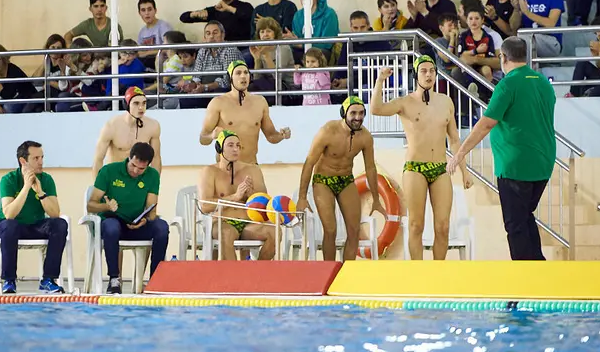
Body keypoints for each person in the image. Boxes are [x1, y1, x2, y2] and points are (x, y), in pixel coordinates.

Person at [448, 37, 556, 261]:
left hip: (515, 165)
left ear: (503, 57)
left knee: (515, 225)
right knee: (525, 217)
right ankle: (539, 267)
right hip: (544, 162)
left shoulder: (508, 85)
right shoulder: (543, 82)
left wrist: (460, 153)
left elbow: (486, 124)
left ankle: (524, 277)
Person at [370, 56, 474, 260]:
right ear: (415, 75)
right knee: (416, 225)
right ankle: (419, 272)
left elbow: (454, 139)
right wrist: (380, 80)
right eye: (423, 71)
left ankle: (437, 272)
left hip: (440, 168)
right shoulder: (405, 102)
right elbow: (376, 109)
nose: (428, 75)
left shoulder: (445, 101)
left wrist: (465, 171)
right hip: (415, 168)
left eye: (432, 71)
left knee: (443, 226)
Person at [296, 97, 386, 261]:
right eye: (353, 113)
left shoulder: (365, 137)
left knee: (354, 231)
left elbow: (370, 168)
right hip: (323, 180)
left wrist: (376, 198)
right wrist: (302, 197)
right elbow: (309, 162)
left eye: (361, 113)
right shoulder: (328, 131)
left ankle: (346, 272)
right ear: (344, 113)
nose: (358, 117)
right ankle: (329, 270)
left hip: (346, 180)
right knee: (330, 230)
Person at [87, 142, 169, 294]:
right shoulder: (109, 171)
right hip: (113, 221)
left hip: (137, 223)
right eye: (133, 165)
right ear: (129, 158)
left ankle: (155, 280)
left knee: (162, 227)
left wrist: (145, 220)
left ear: (148, 166)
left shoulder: (152, 175)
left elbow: (151, 210)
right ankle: (114, 279)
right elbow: (90, 205)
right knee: (111, 227)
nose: (136, 171)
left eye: (141, 169)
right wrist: (106, 206)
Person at [0, 141, 68, 294]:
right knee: (10, 225)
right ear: (23, 161)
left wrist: (40, 192)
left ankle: (48, 280)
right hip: (10, 226)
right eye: (36, 158)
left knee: (60, 224)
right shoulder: (8, 179)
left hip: (35, 225)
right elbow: (9, 214)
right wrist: (26, 187)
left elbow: (55, 213)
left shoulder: (46, 180)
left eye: (42, 157)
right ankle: (9, 280)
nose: (41, 162)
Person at [197, 131, 278, 260]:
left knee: (275, 232)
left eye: (238, 146)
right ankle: (234, 273)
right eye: (230, 145)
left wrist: (251, 195)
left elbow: (265, 206)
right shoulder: (209, 172)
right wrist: (234, 197)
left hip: (248, 223)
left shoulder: (253, 170)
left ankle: (258, 271)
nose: (235, 149)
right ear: (219, 148)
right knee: (226, 233)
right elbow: (205, 206)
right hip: (222, 222)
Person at [199, 60, 291, 164]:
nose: (243, 76)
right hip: (227, 168)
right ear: (230, 78)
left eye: (246, 72)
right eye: (238, 73)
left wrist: (282, 135)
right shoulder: (218, 103)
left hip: (251, 165)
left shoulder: (260, 102)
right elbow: (203, 138)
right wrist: (211, 136)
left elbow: (271, 136)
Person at [91, 87, 162, 180]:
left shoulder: (153, 126)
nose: (141, 108)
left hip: (138, 179)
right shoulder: (112, 126)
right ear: (127, 105)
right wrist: (98, 185)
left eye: (144, 103)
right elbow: (98, 159)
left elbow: (156, 158)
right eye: (136, 103)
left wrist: (154, 184)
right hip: (115, 178)